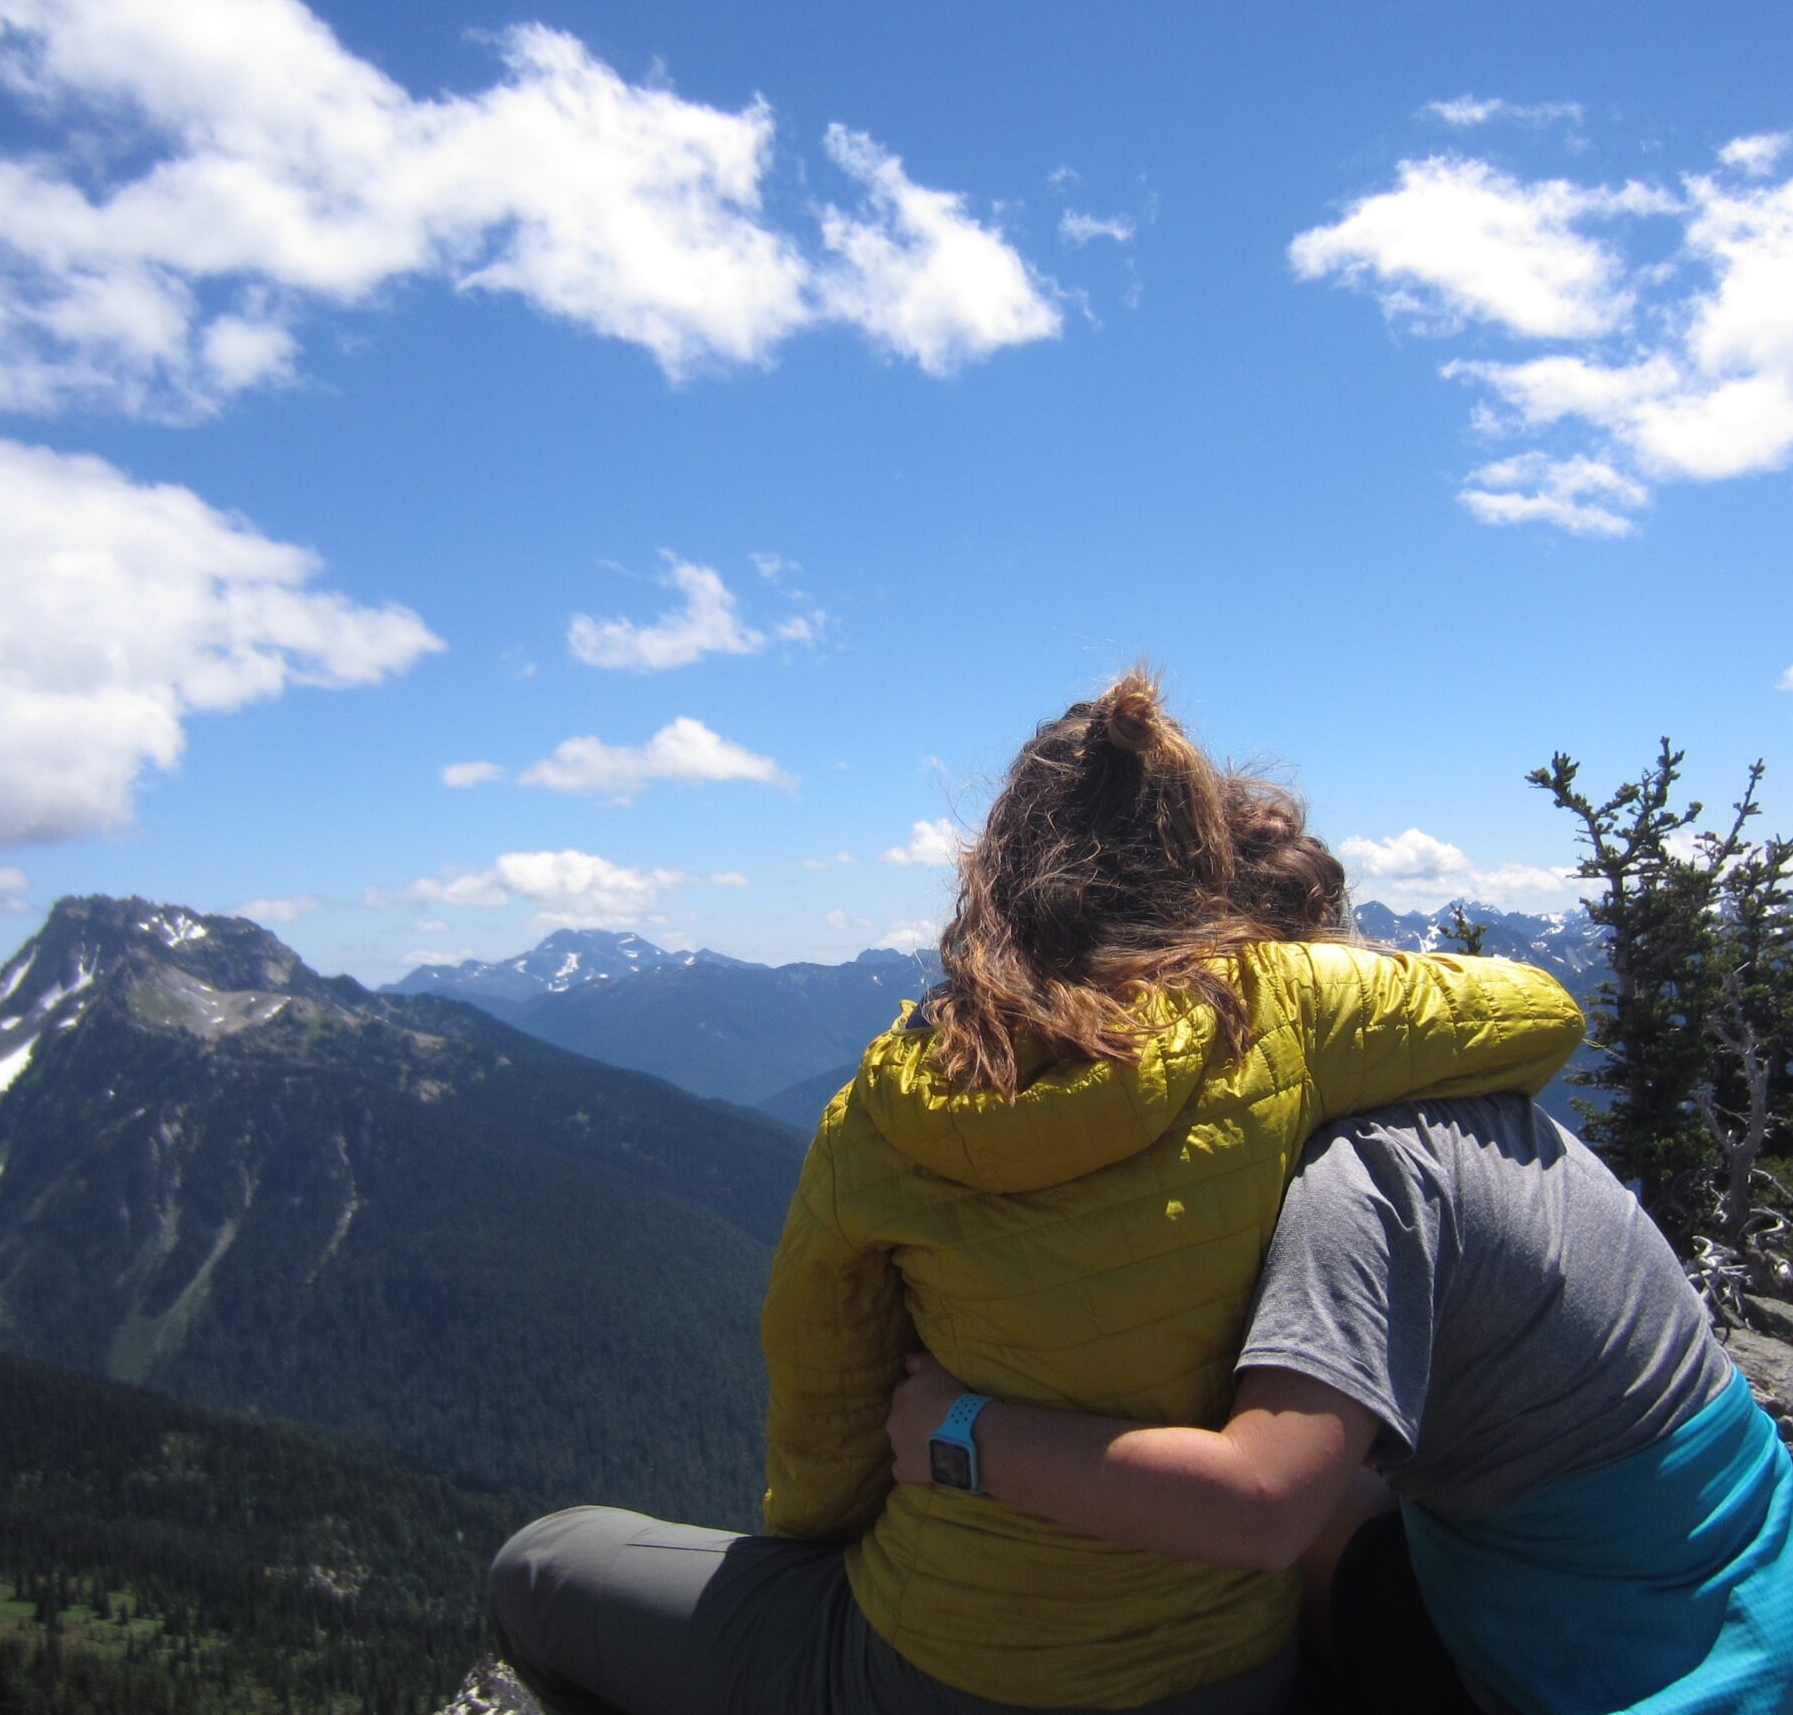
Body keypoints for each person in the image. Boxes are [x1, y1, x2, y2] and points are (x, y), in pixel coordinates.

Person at [487, 673, 1585, 1715]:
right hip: (1230, 1669)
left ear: (997, 865)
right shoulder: (1286, 1007)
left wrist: (849, 1539)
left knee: (536, 1565)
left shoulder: (885, 1105)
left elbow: (822, 1455)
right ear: (1198, 859)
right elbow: (1542, 1014)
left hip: (937, 1668)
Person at [881, 983, 1793, 1710]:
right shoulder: (1472, 1098)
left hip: (1639, 1666)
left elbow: (1261, 1507)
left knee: (1231, 1539)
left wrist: (960, 1430)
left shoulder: (1359, 1181)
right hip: (1768, 1577)